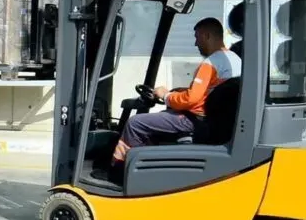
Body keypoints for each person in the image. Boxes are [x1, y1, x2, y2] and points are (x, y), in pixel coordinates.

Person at [101, 17, 242, 181]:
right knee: (157, 121)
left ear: (207, 36)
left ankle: (119, 173)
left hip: (196, 120)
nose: (196, 43)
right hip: (216, 120)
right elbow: (210, 92)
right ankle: (149, 168)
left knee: (135, 123)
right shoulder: (234, 60)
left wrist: (166, 95)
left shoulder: (211, 63)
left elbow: (192, 99)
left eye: (197, 37)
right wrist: (177, 92)